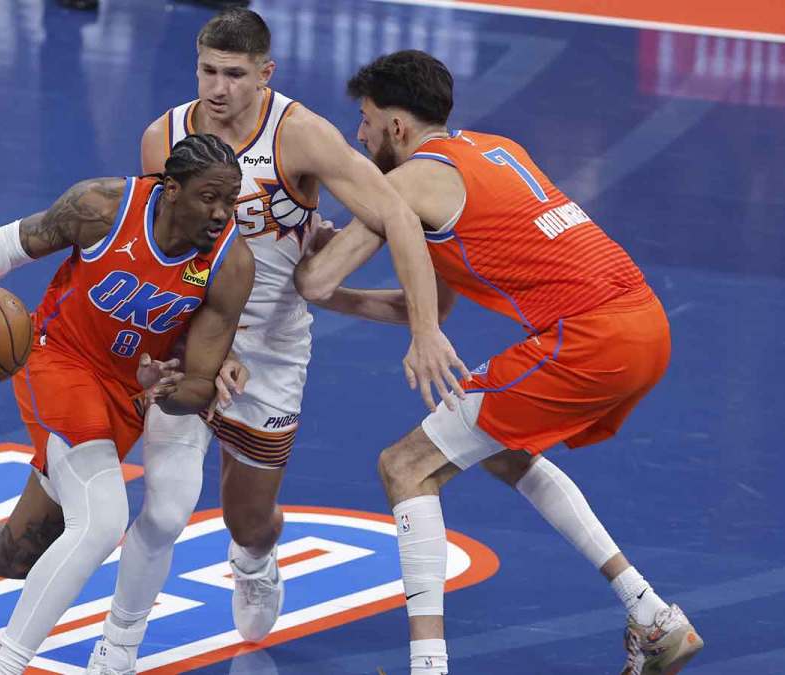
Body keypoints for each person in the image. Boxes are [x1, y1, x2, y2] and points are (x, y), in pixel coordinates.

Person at [294, 50, 705, 675]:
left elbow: (315, 281)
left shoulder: (407, 183)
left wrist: (306, 245)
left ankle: (427, 667)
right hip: (644, 323)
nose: (360, 136)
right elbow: (426, 307)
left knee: (405, 466)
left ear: (397, 126)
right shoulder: (497, 148)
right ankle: (651, 615)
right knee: (505, 451)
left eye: (367, 121)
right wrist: (360, 296)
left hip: (589, 338)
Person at [83, 10, 467, 673]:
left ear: (266, 74)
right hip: (190, 336)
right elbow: (156, 246)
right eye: (208, 70)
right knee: (165, 509)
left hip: (273, 349)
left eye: (235, 74)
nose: (218, 88)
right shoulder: (163, 138)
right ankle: (117, 647)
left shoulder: (301, 135)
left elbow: (397, 214)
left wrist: (424, 328)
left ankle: (255, 562)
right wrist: (199, 345)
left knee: (249, 518)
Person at [0, 134, 255, 675]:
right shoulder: (102, 207)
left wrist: (164, 389)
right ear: (171, 189)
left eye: (230, 200)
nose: (221, 214)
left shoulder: (231, 264)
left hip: (128, 391)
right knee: (101, 521)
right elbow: (7, 242)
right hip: (60, 360)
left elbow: (199, 386)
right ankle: (7, 666)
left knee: (20, 551)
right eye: (209, 198)